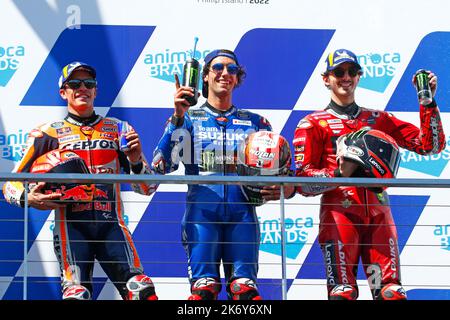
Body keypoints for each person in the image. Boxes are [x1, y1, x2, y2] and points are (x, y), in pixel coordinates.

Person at [292, 49, 446, 300]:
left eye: (352, 71)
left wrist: (428, 103)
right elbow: (302, 183)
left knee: (390, 293)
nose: (346, 77)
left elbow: (430, 146)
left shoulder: (378, 119)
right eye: (339, 72)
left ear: (359, 76)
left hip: (379, 216)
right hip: (339, 216)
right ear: (326, 79)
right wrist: (340, 174)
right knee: (342, 294)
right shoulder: (312, 123)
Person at [2, 62, 158, 300]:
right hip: (71, 228)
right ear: (63, 92)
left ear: (96, 90)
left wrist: (135, 161)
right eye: (74, 84)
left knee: (141, 290)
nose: (82, 88)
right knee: (77, 295)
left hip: (112, 226)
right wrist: (29, 197)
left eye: (89, 83)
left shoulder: (119, 129)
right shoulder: (47, 133)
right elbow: (10, 184)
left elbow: (147, 188)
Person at [152, 49, 284, 300]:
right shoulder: (188, 118)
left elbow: (279, 174)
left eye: (232, 69)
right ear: (205, 76)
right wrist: (178, 117)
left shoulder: (257, 122)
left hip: (243, 215)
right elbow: (162, 166)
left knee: (245, 293)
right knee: (203, 292)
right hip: (201, 215)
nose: (225, 73)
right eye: (218, 68)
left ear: (237, 78)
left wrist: (276, 188)